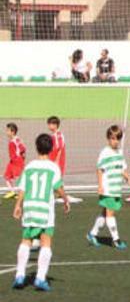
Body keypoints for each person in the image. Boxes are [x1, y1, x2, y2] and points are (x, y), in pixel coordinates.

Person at [11, 134, 70, 291]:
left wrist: (18, 205)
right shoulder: (53, 167)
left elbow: (22, 188)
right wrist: (65, 199)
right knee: (45, 242)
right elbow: (58, 187)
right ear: (51, 149)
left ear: (36, 147)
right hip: (45, 210)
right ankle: (40, 278)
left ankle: (19, 275)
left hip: (30, 208)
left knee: (26, 240)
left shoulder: (29, 166)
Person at [86, 125, 130, 250]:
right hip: (108, 189)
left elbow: (121, 167)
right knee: (110, 214)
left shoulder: (120, 152)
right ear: (108, 138)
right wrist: (100, 186)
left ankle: (92, 234)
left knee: (105, 214)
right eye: (112, 138)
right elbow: (100, 169)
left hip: (116, 189)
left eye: (117, 139)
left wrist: (128, 177)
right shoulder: (105, 152)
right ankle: (116, 240)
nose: (115, 141)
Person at [4, 123, 25, 199]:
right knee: (6, 176)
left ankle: (23, 192)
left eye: (8, 130)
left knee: (18, 177)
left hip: (16, 161)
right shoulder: (15, 140)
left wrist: (21, 160)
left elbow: (23, 149)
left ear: (13, 132)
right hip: (12, 161)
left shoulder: (15, 141)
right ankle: (12, 192)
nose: (6, 132)